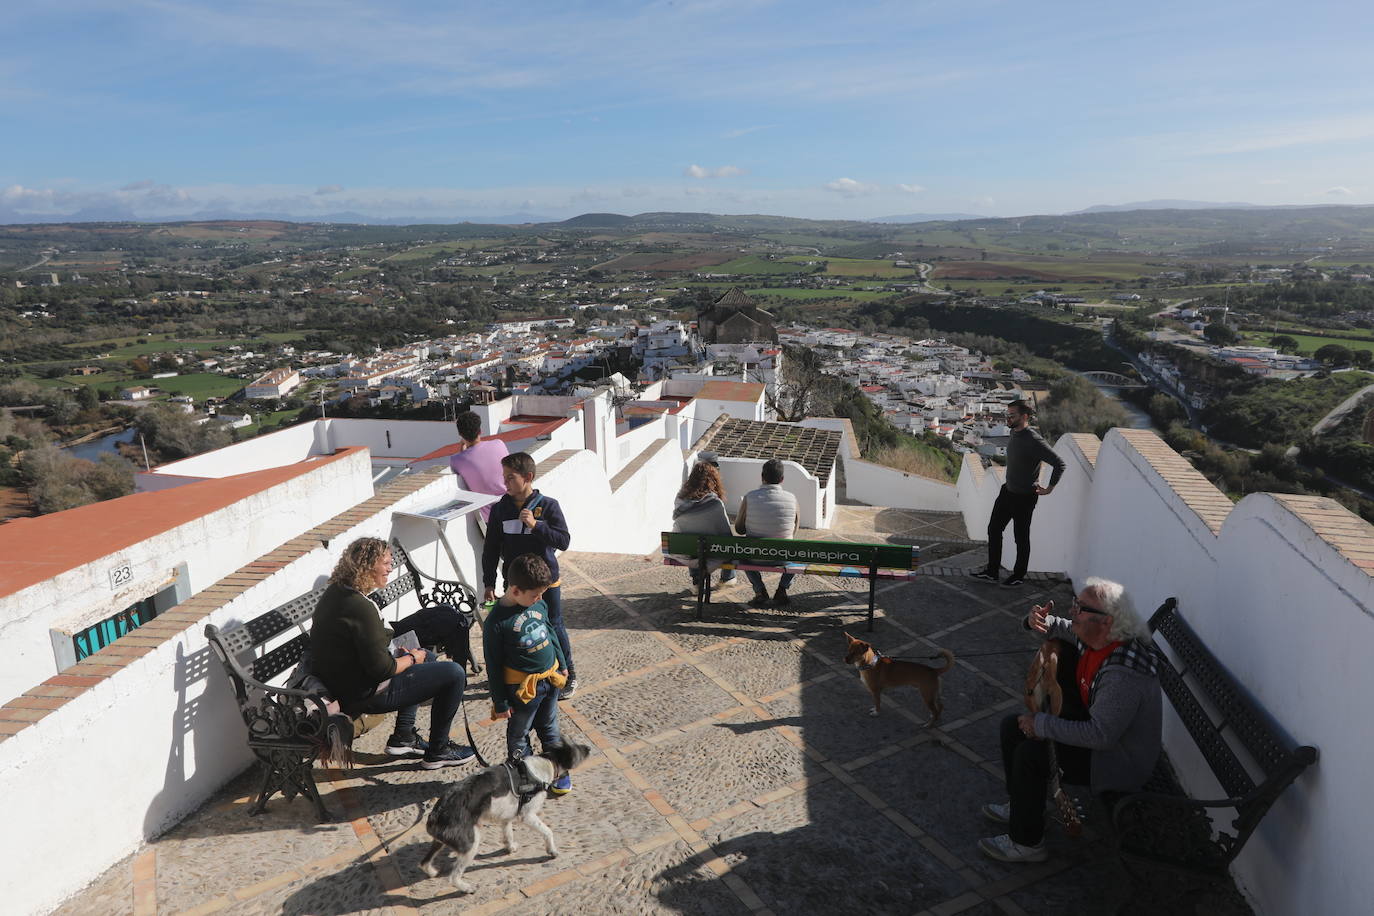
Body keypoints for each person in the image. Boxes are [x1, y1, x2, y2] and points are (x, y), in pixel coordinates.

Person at [979, 578, 1161, 863]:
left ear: (1107, 621)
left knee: (1031, 753)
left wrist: (1040, 724)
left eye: (1081, 607)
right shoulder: (1097, 636)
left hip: (1117, 761)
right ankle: (1023, 806)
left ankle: (1027, 844)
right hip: (1100, 739)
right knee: (1012, 728)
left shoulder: (1122, 673)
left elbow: (1101, 736)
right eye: (1075, 603)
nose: (1072, 611)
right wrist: (1036, 620)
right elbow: (1063, 627)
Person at [309, 537, 476, 769]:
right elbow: (382, 669)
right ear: (367, 567)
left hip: (343, 683)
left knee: (426, 657)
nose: (391, 568)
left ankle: (404, 737)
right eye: (386, 563)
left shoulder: (336, 593)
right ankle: (439, 750)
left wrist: (409, 656)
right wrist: (410, 658)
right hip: (363, 694)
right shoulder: (360, 607)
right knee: (454, 673)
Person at [482, 451, 577, 697]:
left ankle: (568, 674)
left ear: (528, 477)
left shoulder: (548, 506)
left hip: (546, 582)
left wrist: (537, 526)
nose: (505, 483)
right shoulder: (499, 510)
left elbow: (564, 541)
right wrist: (488, 581)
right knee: (516, 627)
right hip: (515, 583)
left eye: (510, 477)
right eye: (504, 477)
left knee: (553, 625)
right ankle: (519, 671)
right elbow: (491, 547)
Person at [482, 553, 572, 795]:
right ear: (515, 590)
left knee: (550, 729)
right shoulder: (496, 624)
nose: (540, 599)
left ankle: (557, 771)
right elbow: (492, 664)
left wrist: (562, 663)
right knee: (519, 735)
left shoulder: (537, 603)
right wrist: (500, 701)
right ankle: (528, 775)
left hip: (550, 681)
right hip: (522, 690)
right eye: (535, 595)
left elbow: (550, 631)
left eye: (541, 594)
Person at [971, 399, 1066, 588]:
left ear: (1024, 416)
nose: (1008, 418)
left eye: (1012, 415)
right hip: (1007, 491)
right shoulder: (1014, 432)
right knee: (994, 529)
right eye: (1008, 415)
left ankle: (1018, 575)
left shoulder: (1033, 439)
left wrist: (1049, 488)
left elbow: (1059, 464)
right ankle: (992, 571)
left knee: (1020, 538)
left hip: (1024, 497)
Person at [735, 457, 799, 609]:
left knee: (741, 557)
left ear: (762, 477)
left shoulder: (749, 497)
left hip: (755, 556)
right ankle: (782, 589)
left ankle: (759, 590)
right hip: (782, 557)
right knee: (798, 554)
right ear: (782, 479)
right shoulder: (792, 499)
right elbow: (794, 530)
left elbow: (739, 529)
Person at [671, 454, 737, 591]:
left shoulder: (680, 500)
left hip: (685, 553)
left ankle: (697, 582)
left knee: (692, 542)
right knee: (730, 544)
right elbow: (726, 535)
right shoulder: (715, 504)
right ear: (713, 480)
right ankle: (728, 578)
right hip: (712, 554)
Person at [448, 411, 509, 528]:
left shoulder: (456, 460)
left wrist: (462, 450)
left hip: (489, 519)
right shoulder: (499, 444)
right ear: (480, 431)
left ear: (460, 434)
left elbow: (464, 466)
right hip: (511, 507)